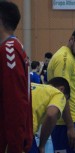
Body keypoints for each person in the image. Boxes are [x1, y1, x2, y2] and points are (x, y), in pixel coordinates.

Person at [0, 1, 33, 153]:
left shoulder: (9, 50)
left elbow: (16, 102)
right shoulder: (13, 47)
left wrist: (14, 145)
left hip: (8, 141)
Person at [29, 77, 70, 153]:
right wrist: (42, 145)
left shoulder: (30, 85)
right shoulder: (58, 93)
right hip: (22, 132)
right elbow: (51, 114)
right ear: (62, 89)